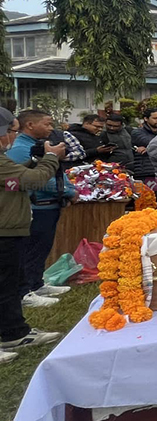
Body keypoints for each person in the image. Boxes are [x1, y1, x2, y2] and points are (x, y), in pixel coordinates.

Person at [0, 107, 64, 355]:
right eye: (11, 131)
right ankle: (13, 333)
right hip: (5, 230)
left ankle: (15, 331)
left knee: (9, 284)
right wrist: (50, 158)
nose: (13, 137)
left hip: (10, 226)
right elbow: (32, 181)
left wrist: (35, 162)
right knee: (6, 286)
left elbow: (14, 181)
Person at [8, 110, 77, 307]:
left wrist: (67, 188)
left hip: (50, 205)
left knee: (41, 248)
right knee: (31, 251)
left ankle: (36, 283)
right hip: (38, 206)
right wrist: (68, 192)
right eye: (46, 124)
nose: (51, 128)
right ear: (30, 125)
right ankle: (26, 290)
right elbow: (35, 179)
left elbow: (54, 172)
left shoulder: (39, 146)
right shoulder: (21, 149)